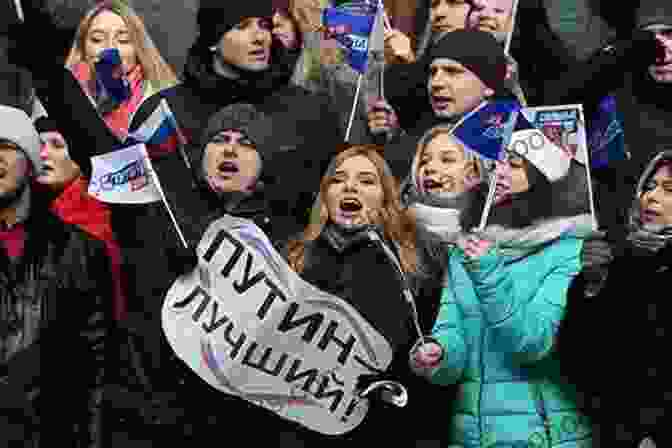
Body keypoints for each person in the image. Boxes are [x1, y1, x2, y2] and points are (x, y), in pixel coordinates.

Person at [409, 134, 598, 447]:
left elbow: (533, 344)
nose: (500, 172)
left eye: (513, 164)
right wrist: (438, 355)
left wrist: (487, 270)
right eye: (495, 164)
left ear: (543, 177)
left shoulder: (570, 249)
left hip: (546, 434)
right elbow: (452, 332)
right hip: (471, 434)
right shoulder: (467, 247)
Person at [282, 145, 450, 447]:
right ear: (325, 194)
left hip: (383, 426)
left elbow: (435, 337)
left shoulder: (417, 257)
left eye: (366, 180)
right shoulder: (292, 255)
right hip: (300, 424)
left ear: (385, 196)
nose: (350, 186)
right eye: (338, 179)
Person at [0, 105, 112, 447]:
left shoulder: (79, 250)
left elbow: (97, 368)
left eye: (6, 147)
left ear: (31, 161)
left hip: (47, 434)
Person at [559, 151, 672, 448]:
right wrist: (593, 287)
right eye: (649, 186)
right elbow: (576, 366)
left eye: (668, 189)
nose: (652, 197)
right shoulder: (619, 264)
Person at [63, 0, 178, 140]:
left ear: (138, 48)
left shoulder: (161, 102)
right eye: (97, 39)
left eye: (123, 40)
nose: (110, 47)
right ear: (83, 49)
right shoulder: (62, 96)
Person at [400, 124, 488, 238]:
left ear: (474, 172)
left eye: (447, 160)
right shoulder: (396, 225)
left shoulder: (495, 229)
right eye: (424, 161)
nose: (430, 168)